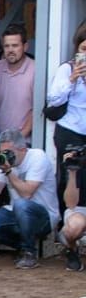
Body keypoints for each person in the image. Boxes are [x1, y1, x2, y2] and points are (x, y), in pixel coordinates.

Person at [0, 129, 56, 268]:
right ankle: (24, 246)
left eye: (9, 153)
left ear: (23, 149)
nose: (6, 157)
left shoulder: (38, 157)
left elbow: (27, 194)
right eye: (3, 152)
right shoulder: (5, 164)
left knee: (22, 204)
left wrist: (8, 171)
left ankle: (29, 253)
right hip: (16, 214)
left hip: (43, 216)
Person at [46, 25, 86, 195]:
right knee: (70, 177)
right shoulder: (67, 69)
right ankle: (67, 217)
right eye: (84, 48)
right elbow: (54, 99)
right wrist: (72, 79)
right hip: (70, 129)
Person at [0, 25, 34, 139]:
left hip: (24, 143)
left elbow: (37, 109)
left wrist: (20, 137)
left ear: (25, 47)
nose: (10, 50)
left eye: (15, 46)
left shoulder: (35, 70)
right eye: (7, 46)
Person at [58, 145, 86, 272]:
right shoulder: (80, 160)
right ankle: (72, 250)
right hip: (79, 209)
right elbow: (70, 203)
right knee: (74, 227)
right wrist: (72, 173)